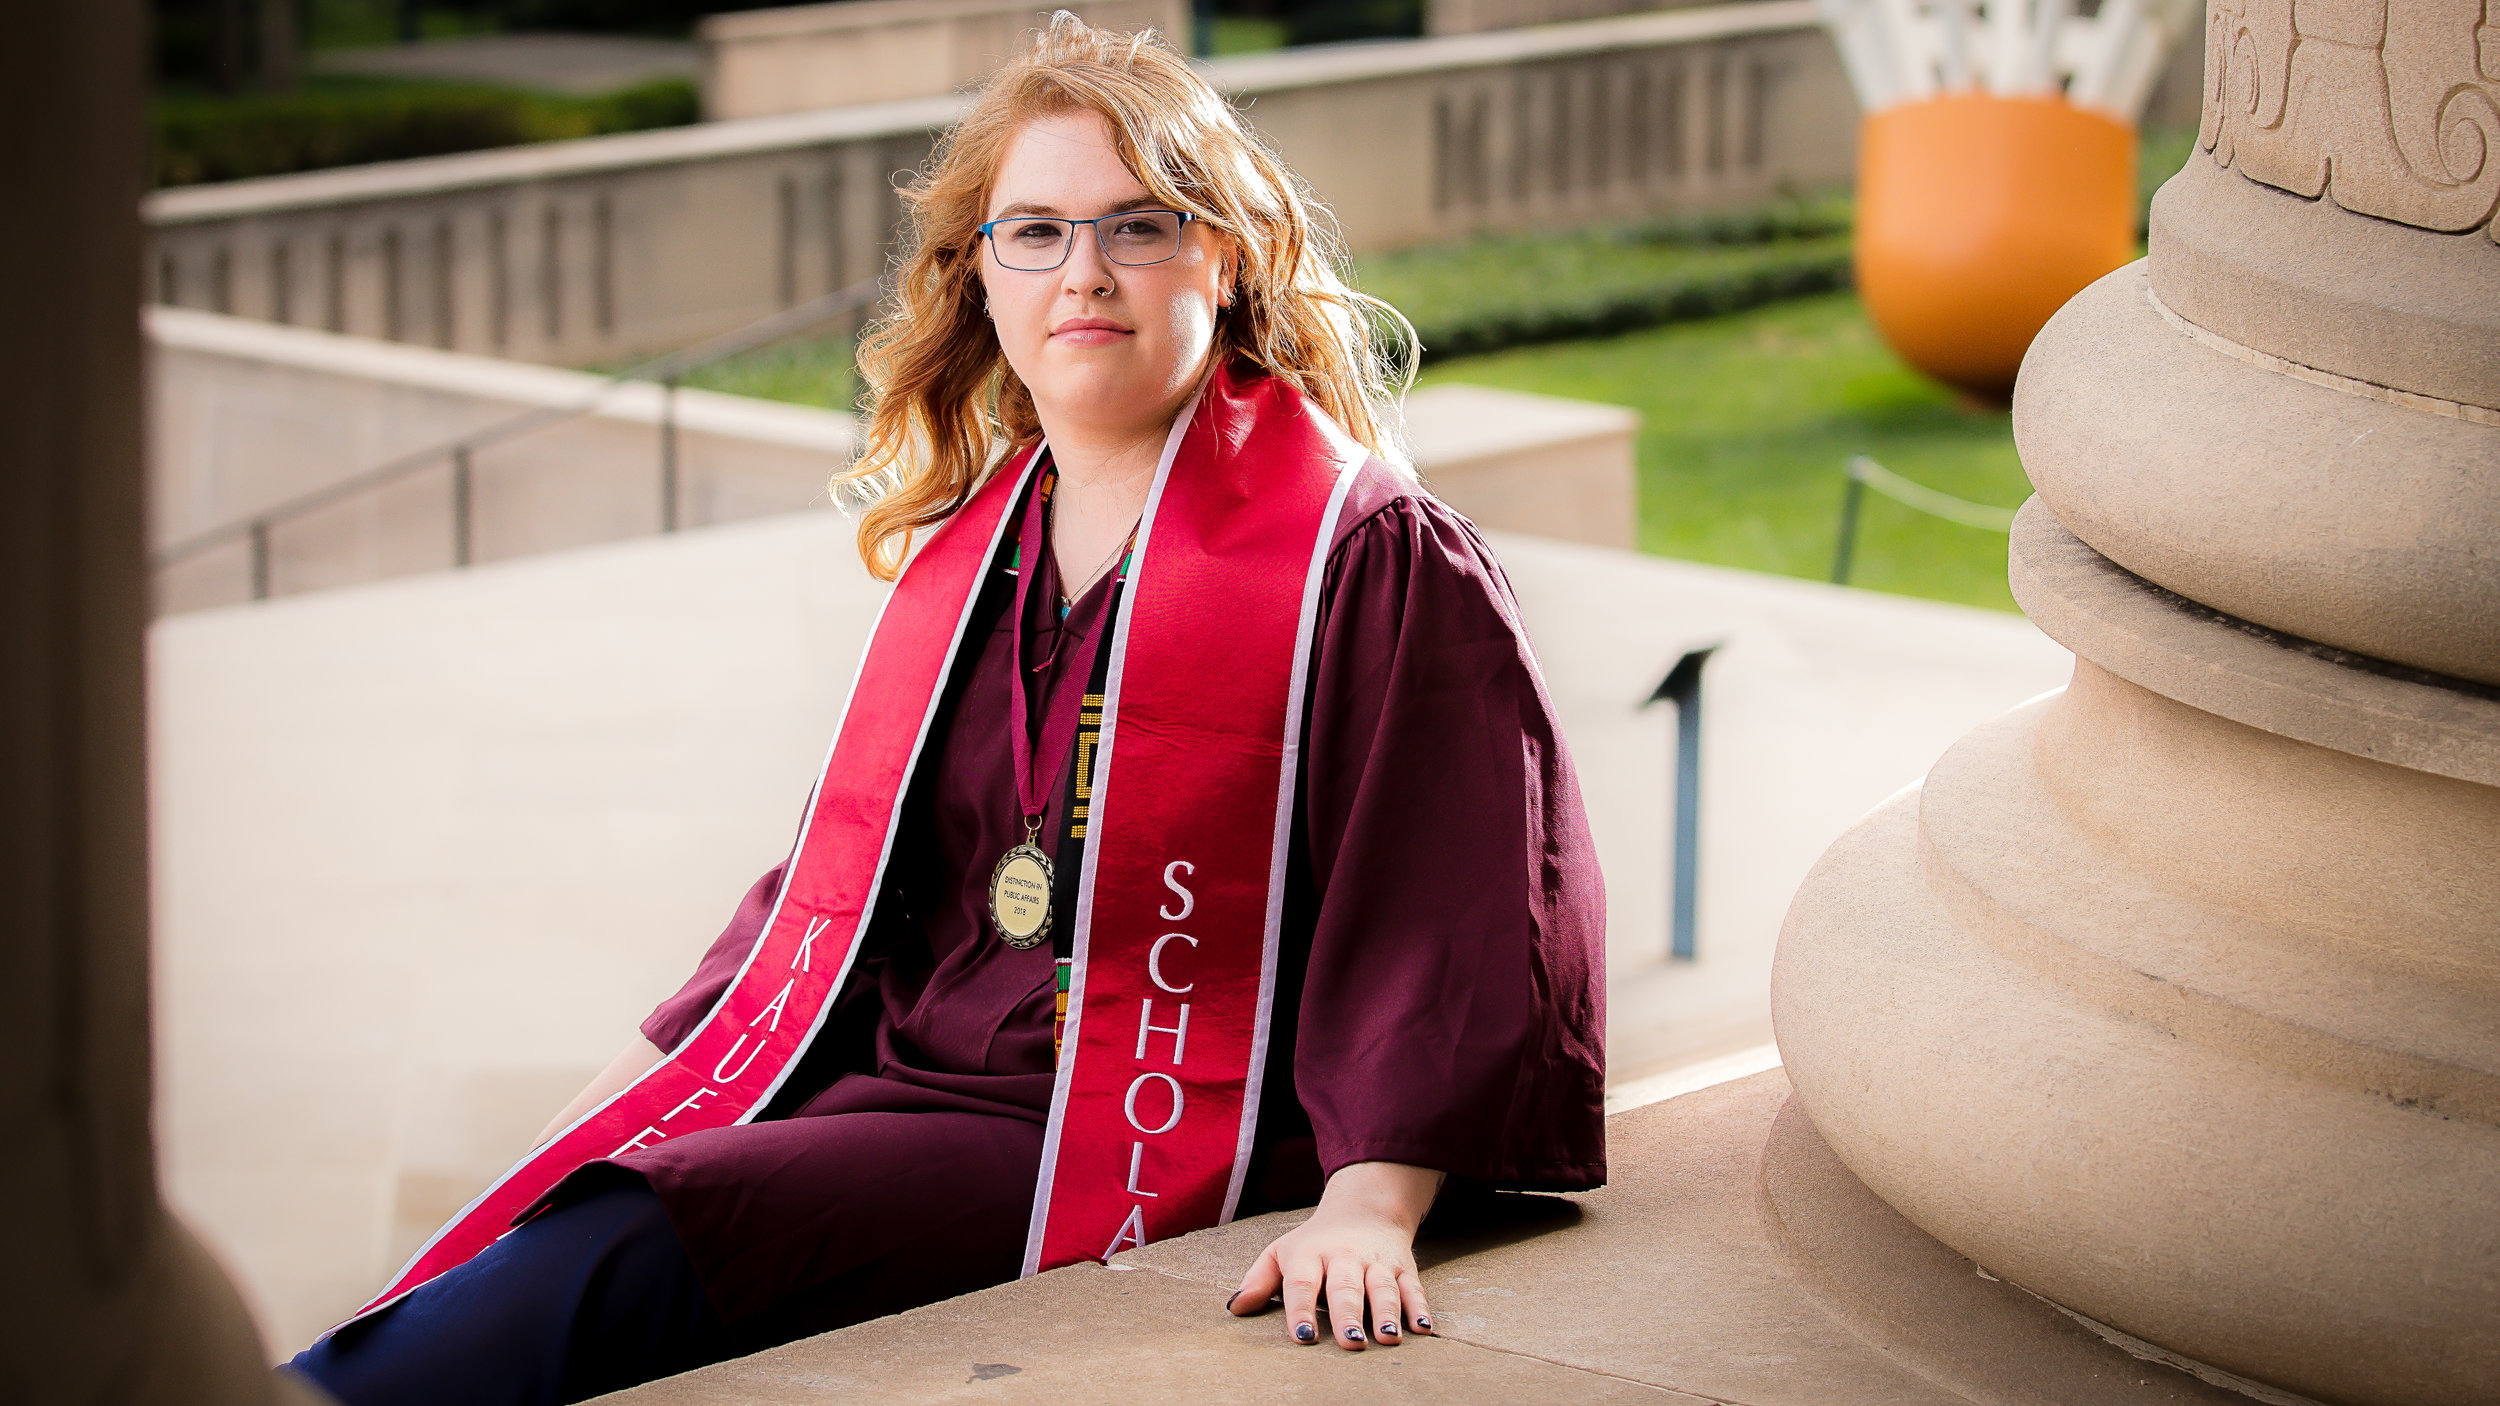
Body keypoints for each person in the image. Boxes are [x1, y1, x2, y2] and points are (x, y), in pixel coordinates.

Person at [285, 15, 1604, 1405]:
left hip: (1121, 1111)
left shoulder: (1363, 551)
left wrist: (1371, 1203)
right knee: (586, 1207)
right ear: (981, 274)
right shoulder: (981, 554)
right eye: (1033, 232)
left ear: (1222, 255)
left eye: (1137, 227)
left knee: (637, 1242)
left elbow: (1457, 896)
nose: (1083, 273)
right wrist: (593, 1120)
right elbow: (830, 890)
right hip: (905, 1081)